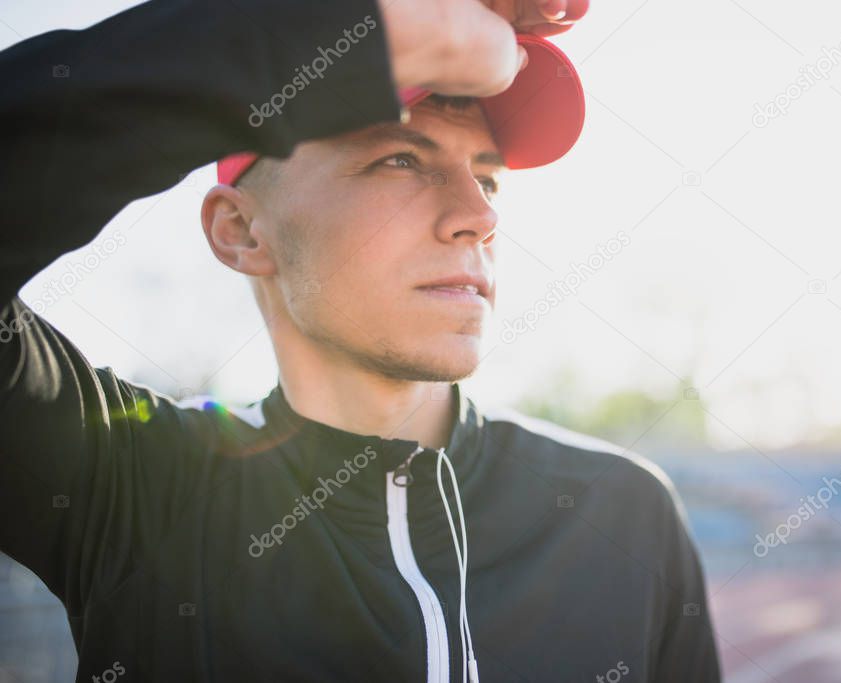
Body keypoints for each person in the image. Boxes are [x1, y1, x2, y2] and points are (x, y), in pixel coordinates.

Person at [0, 0, 721, 680]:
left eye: (489, 179)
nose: (477, 216)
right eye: (400, 160)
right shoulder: (128, 487)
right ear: (241, 229)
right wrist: (339, 26)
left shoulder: (622, 512)